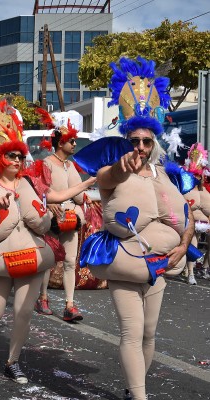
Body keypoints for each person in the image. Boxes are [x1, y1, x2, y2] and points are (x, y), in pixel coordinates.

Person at [77, 57, 197, 400]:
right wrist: (121, 166)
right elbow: (109, 177)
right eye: (134, 140)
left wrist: (182, 244)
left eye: (146, 141)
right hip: (125, 264)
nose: (140, 148)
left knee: (148, 333)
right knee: (131, 332)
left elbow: (186, 216)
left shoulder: (168, 176)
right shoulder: (112, 172)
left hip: (161, 266)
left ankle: (133, 390)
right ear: (126, 139)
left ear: (154, 141)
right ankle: (140, 397)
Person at [0, 97, 64, 384]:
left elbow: (51, 198)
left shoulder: (32, 183)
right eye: (12, 156)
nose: (17, 161)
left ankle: (12, 361)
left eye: (20, 156)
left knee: (23, 311)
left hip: (31, 254)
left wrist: (87, 186)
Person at [35, 119, 96, 320]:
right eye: (71, 141)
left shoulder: (71, 166)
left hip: (71, 219)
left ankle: (69, 305)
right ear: (60, 143)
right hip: (52, 218)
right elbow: (42, 191)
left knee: (70, 262)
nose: (74, 144)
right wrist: (49, 201)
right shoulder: (45, 163)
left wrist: (84, 192)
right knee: (48, 260)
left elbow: (78, 197)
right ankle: (42, 297)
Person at [182, 143, 210, 285]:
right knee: (192, 240)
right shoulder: (185, 188)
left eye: (199, 175)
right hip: (188, 222)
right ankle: (190, 273)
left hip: (201, 222)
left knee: (198, 240)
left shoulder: (204, 192)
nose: (198, 177)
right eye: (195, 175)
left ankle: (199, 268)